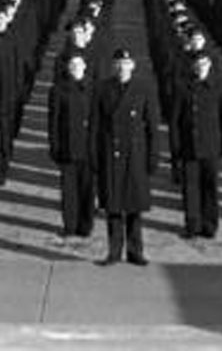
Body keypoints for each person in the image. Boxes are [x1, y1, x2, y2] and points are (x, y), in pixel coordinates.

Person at [94, 46, 159, 266]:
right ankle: (114, 251)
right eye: (118, 64)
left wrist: (153, 156)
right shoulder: (103, 89)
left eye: (126, 64)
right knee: (113, 206)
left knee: (133, 206)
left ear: (133, 66)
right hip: (112, 153)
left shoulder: (143, 89)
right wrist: (95, 154)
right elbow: (96, 125)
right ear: (113, 66)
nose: (122, 68)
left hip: (135, 154)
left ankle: (135, 250)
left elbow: (152, 126)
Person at [169, 51, 222, 240]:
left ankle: (209, 224)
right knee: (191, 187)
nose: (201, 66)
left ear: (210, 65)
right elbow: (175, 121)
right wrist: (175, 146)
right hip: (190, 146)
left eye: (204, 63)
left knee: (210, 187)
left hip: (211, 145)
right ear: (193, 66)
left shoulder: (218, 87)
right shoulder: (183, 87)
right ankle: (192, 224)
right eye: (198, 63)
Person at [49, 51, 96, 238]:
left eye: (79, 65)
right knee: (69, 191)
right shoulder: (58, 90)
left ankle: (85, 225)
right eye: (72, 65)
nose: (76, 68)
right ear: (68, 68)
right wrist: (54, 145)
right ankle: (70, 225)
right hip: (67, 147)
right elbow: (53, 121)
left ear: (85, 67)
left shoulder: (93, 89)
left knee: (87, 189)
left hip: (87, 147)